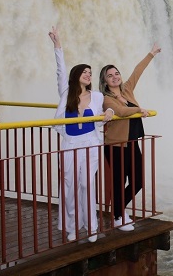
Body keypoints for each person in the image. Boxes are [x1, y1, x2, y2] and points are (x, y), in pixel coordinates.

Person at [49, 27, 114, 243]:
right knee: (69, 184)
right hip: (69, 144)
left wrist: (110, 112)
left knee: (87, 184)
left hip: (90, 144)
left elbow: (108, 107)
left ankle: (92, 227)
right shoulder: (66, 93)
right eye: (84, 72)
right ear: (76, 75)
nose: (88, 74)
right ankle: (72, 226)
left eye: (90, 72)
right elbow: (60, 70)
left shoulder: (96, 96)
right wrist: (57, 44)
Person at [99, 43, 161, 231]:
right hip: (116, 145)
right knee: (119, 182)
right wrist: (138, 109)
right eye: (110, 76)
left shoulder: (127, 89)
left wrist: (151, 54)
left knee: (137, 182)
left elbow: (137, 71)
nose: (114, 77)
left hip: (132, 142)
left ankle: (118, 210)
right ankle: (118, 216)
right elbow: (121, 111)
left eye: (116, 73)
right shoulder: (105, 98)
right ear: (105, 81)